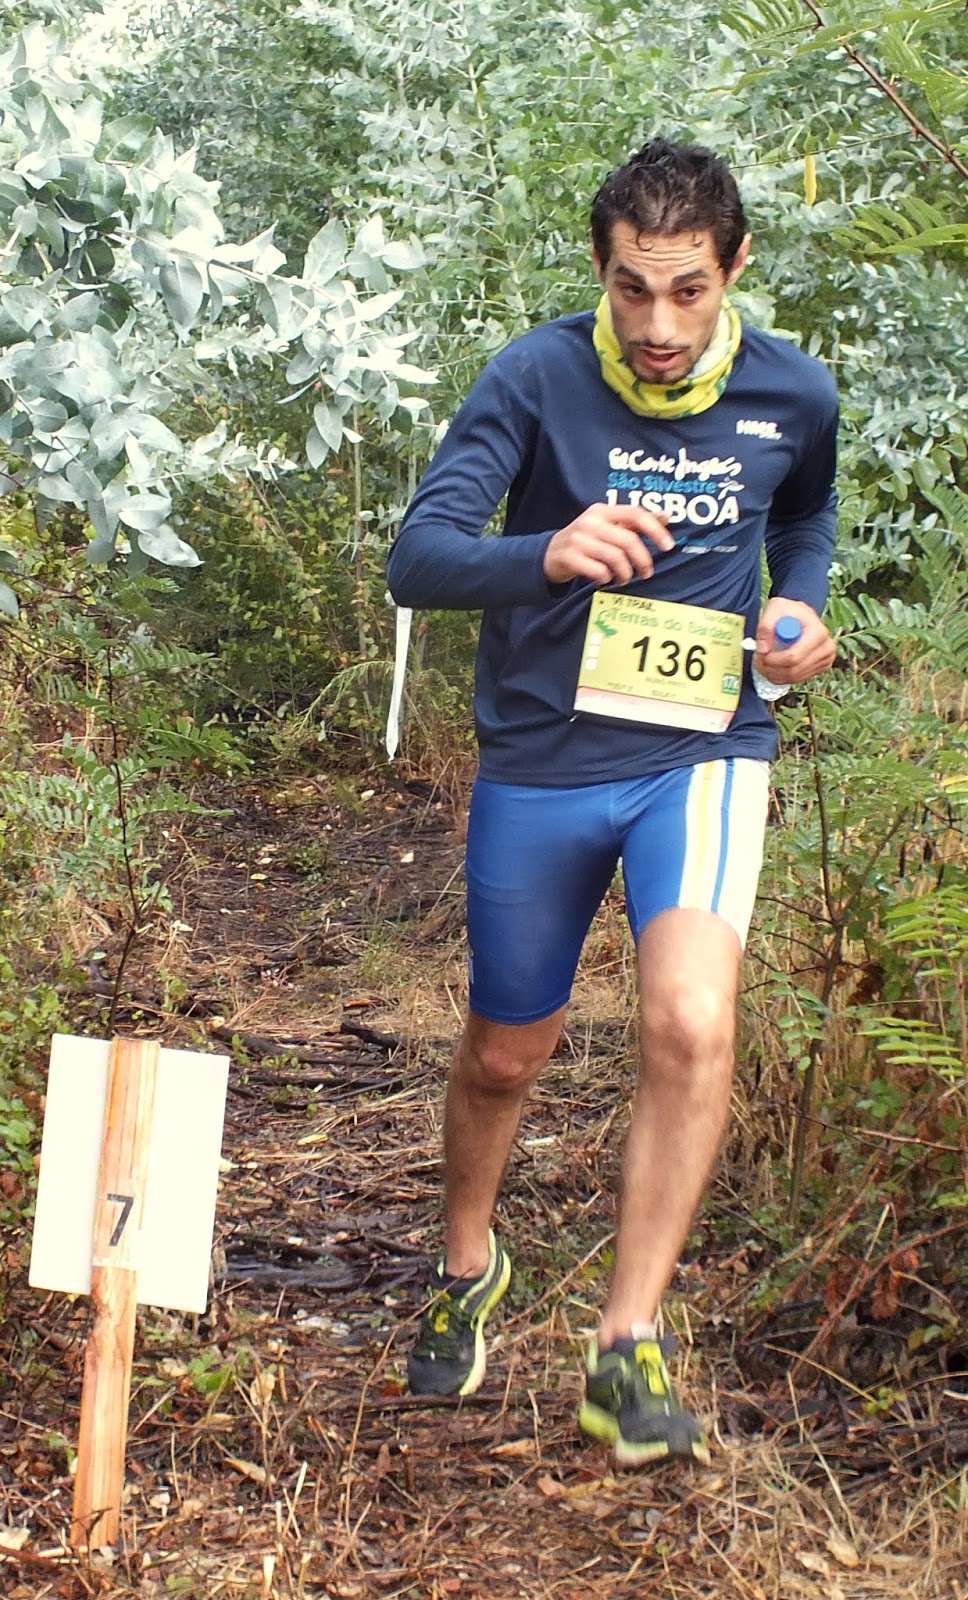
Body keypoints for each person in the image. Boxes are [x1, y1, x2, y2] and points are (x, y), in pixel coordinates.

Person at [386, 137, 837, 1466]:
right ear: (601, 267)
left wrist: (800, 610)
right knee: (505, 1052)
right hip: (543, 758)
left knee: (692, 1021)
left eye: (687, 290)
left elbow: (802, 518)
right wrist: (546, 553)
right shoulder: (535, 377)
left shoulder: (793, 391)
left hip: (704, 748)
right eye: (633, 288)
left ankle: (626, 1342)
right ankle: (468, 1262)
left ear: (733, 267)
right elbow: (420, 557)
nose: (658, 324)